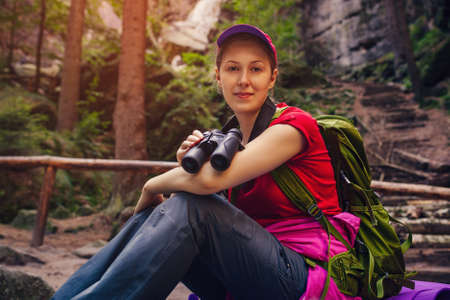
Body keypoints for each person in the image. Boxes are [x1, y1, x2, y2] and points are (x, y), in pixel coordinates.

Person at [51, 24, 361, 300]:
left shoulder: (294, 126)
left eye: (255, 69)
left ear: (272, 78)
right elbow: (195, 216)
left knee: (188, 205)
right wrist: (187, 165)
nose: (243, 80)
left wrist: (151, 186)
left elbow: (207, 190)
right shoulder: (231, 139)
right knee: (160, 212)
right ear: (218, 76)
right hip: (249, 271)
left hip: (307, 275)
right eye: (232, 68)